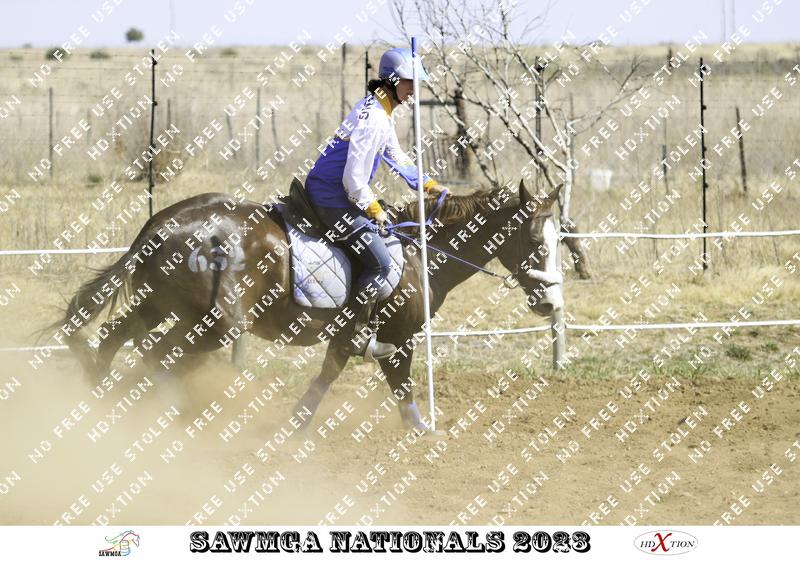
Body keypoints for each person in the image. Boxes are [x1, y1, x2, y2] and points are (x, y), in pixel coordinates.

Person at [305, 47, 449, 361]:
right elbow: (353, 180)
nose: (414, 89)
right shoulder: (373, 118)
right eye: (410, 82)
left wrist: (427, 184)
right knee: (382, 264)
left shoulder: (380, 111)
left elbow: (395, 156)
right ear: (392, 80)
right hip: (331, 198)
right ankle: (354, 336)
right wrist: (375, 210)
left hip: (340, 194)